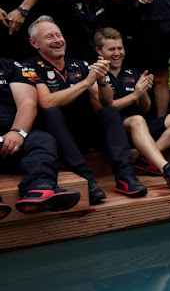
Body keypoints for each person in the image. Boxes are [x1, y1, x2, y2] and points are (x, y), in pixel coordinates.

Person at [23, 16, 147, 203]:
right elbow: (46, 102)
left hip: (85, 133)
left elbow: (106, 102)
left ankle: (126, 177)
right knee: (52, 113)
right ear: (34, 43)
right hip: (57, 138)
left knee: (110, 111)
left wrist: (102, 80)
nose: (57, 40)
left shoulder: (79, 65)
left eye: (59, 35)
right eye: (49, 37)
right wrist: (86, 82)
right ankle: (86, 179)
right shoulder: (29, 67)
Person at [95, 28, 170, 188]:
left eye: (120, 48)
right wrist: (135, 94)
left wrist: (143, 93)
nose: (117, 53)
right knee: (136, 120)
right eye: (111, 49)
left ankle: (146, 159)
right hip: (111, 132)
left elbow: (145, 109)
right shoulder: (95, 73)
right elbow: (104, 107)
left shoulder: (132, 72)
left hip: (139, 128)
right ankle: (166, 168)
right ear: (99, 50)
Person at [0, 57, 80, 219]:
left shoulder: (10, 66)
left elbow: (27, 103)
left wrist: (18, 132)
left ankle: (40, 189)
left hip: (11, 139)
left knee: (42, 139)